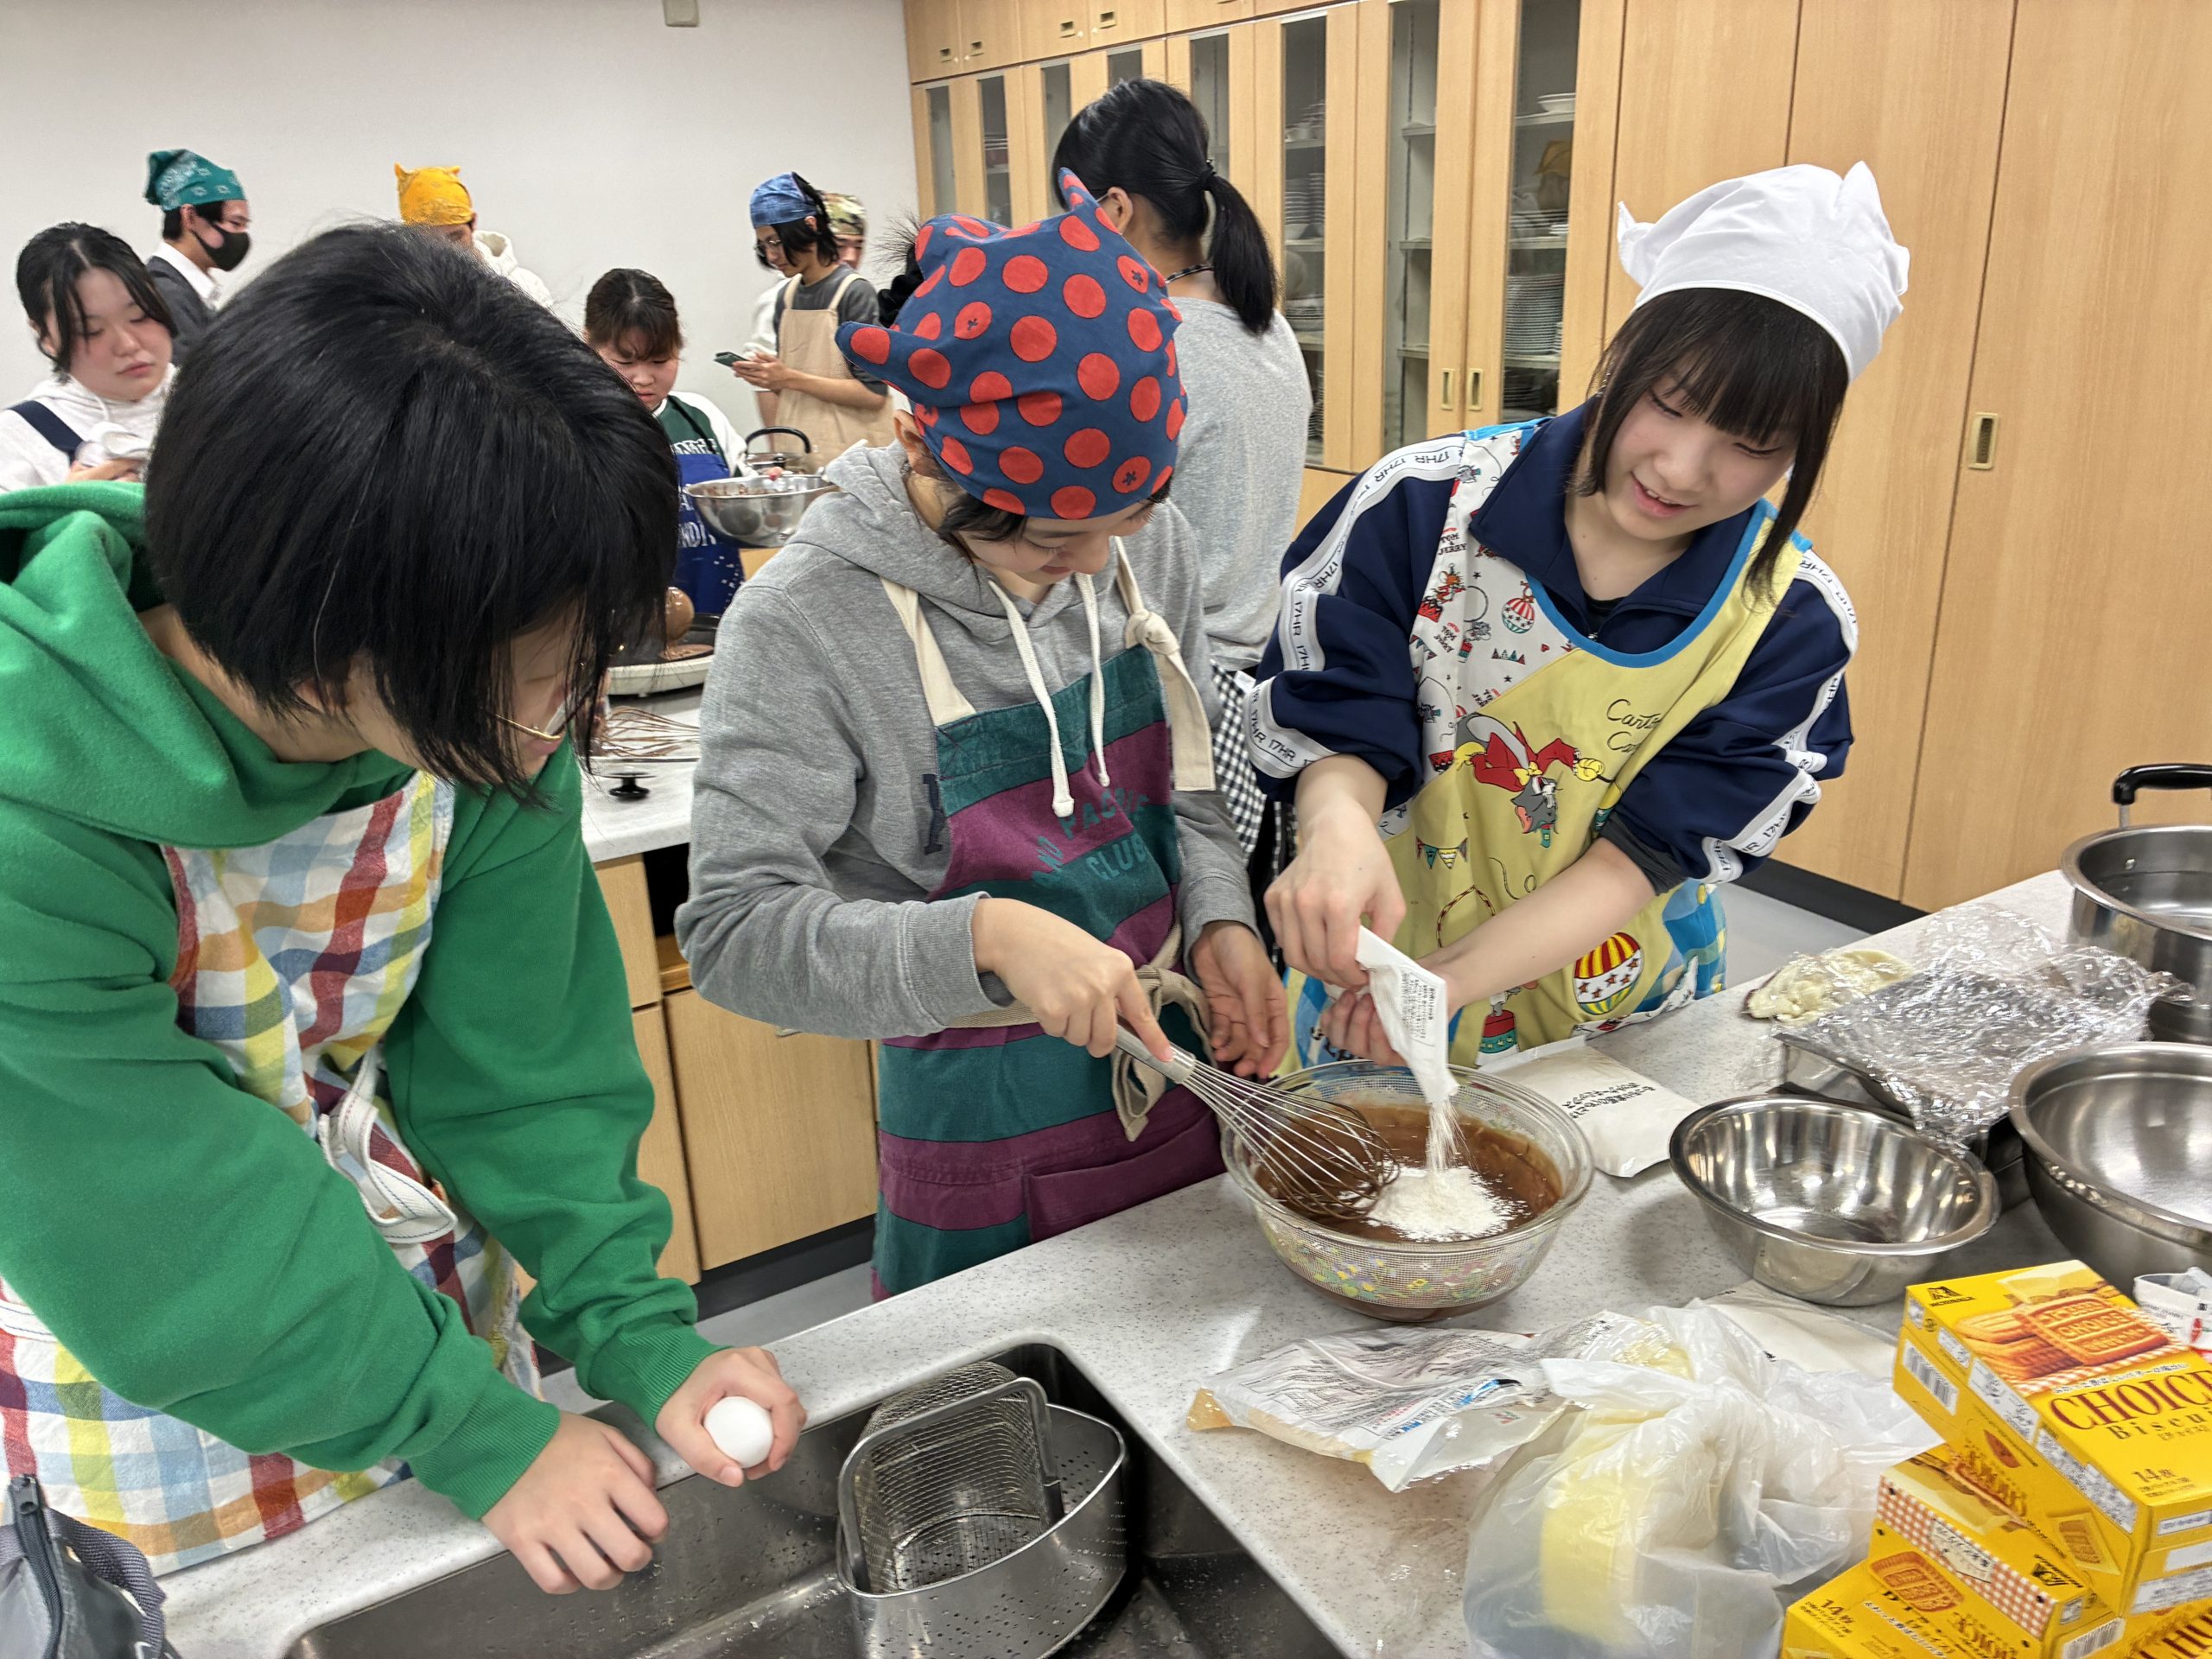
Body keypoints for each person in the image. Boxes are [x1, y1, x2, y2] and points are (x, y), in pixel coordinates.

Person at [0, 224, 803, 1592]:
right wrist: (471, 1428)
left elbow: (526, 1076)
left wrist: (631, 1327)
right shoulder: (35, 814)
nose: (566, 717)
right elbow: (164, 1222)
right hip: (158, 1345)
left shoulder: (471, 726)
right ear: (341, 646)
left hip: (411, 1338)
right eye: (550, 669)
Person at [679, 176, 1286, 1299]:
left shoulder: (1149, 552)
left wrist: (1220, 917)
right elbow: (735, 936)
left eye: (1125, 526)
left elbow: (1191, 790)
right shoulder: (807, 622)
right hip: (977, 1119)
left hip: (1181, 1070)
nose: (1101, 568)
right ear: (924, 440)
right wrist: (985, 938)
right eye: (1057, 542)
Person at [1253, 164, 1907, 1067]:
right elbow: (1342, 707)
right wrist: (1334, 829)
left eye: (1751, 445)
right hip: (1376, 961)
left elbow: (1645, 850)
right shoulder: (1423, 505)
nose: (1680, 470)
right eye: (1668, 405)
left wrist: (1450, 981)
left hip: (1614, 999)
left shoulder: (1786, 620)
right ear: (1623, 357)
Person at [1053, 79, 1310, 861]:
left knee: (1181, 945)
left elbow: (1085, 537)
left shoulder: (1147, 343)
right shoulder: (1266, 324)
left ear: (1115, 211)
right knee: (1242, 935)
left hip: (1179, 692)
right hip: (1263, 680)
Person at [585, 267, 749, 617]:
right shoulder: (571, 425)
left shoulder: (701, 417)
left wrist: (768, 495)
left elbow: (746, 512)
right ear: (589, 344)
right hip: (616, 636)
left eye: (660, 360)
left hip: (718, 626)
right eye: (624, 361)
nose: (643, 378)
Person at [726, 172, 893, 459]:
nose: (771, 255)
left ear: (810, 225)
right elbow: (795, 387)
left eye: (776, 242)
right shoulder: (785, 298)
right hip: (802, 454)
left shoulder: (854, 293)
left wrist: (788, 377)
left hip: (855, 459)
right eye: (763, 246)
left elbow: (873, 394)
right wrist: (769, 377)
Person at [3, 225, 173, 493]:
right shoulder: (19, 439)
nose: (128, 345)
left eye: (140, 315)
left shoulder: (215, 398)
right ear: (45, 336)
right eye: (90, 331)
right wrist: (62, 510)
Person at [143, 147, 251, 362]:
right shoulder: (165, 293)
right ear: (190, 217)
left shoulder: (186, 290)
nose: (242, 236)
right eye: (235, 223)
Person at [395, 163, 553, 306]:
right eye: (432, 242)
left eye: (455, 237)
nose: (447, 250)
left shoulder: (528, 287)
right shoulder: (400, 295)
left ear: (473, 222)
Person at [822, 191, 868, 270]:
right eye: (840, 246)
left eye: (858, 247)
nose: (851, 258)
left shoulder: (856, 282)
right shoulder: (796, 281)